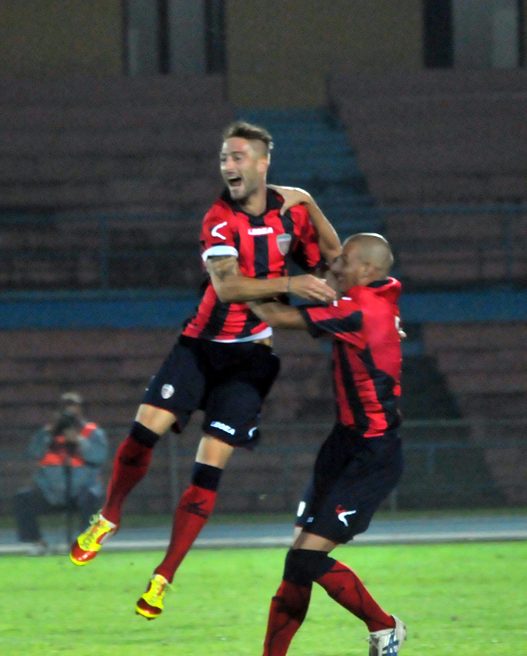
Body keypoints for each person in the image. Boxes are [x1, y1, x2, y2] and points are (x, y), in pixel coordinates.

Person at [69, 120, 341, 620]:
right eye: (224, 158)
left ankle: (163, 576)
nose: (228, 166)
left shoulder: (293, 209)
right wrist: (295, 283)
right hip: (198, 347)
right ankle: (109, 515)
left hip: (251, 359)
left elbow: (333, 255)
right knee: (143, 431)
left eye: (238, 157)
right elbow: (230, 287)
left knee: (209, 464)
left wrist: (318, 227)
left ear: (263, 163)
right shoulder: (218, 219)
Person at [216, 233, 407, 656]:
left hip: (371, 453)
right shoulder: (366, 298)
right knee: (296, 564)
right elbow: (321, 280)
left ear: (364, 270)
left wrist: (234, 283)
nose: (333, 262)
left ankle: (385, 627)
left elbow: (277, 316)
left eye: (343, 259)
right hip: (343, 444)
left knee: (304, 558)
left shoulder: (360, 307)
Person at [14, 392, 108, 555]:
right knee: (23, 498)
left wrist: (79, 442)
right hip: (52, 492)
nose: (69, 412)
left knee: (92, 497)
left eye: (73, 407)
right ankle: (38, 543)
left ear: (80, 410)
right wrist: (49, 435)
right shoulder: (47, 433)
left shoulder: (92, 432)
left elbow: (99, 456)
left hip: (82, 490)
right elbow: (32, 452)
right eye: (65, 408)